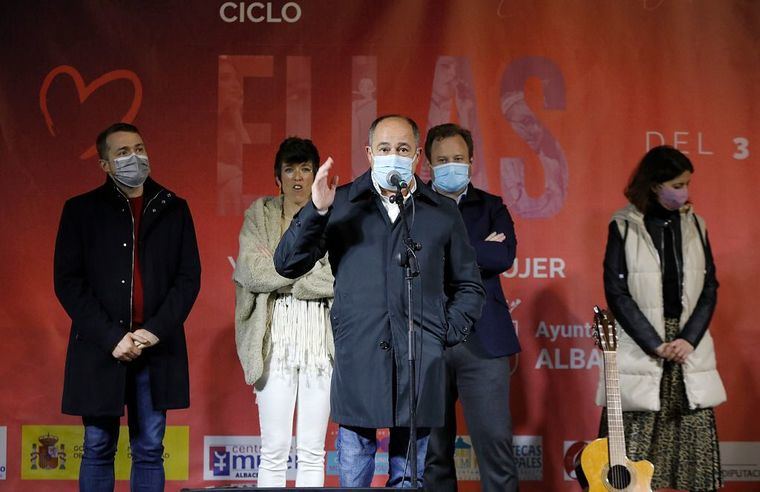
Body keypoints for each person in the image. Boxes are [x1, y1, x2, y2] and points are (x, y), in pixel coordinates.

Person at [274, 114, 485, 488]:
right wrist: (316, 210)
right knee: (354, 476)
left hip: (419, 364)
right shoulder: (340, 204)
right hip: (360, 360)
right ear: (370, 154)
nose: (394, 156)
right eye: (385, 149)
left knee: (409, 480)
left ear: (418, 156)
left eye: (403, 149)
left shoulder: (441, 212)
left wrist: (442, 334)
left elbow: (469, 285)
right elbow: (287, 263)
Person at [54, 122, 201, 492]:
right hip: (102, 348)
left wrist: (153, 331)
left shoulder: (174, 208)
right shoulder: (80, 211)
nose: (134, 157)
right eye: (121, 153)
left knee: (150, 449)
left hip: (156, 349)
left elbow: (188, 280)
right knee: (97, 446)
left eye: (138, 147)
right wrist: (111, 337)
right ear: (104, 164)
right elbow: (68, 284)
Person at [598, 145, 726, 491]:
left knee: (693, 459)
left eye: (686, 184)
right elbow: (617, 292)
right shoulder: (624, 225)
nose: (685, 192)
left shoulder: (696, 224)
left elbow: (709, 286)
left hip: (688, 349)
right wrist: (655, 343)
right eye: (677, 184)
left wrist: (688, 339)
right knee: (630, 456)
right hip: (644, 348)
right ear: (655, 185)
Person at [423, 123, 520, 492]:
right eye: (442, 160)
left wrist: (442, 250)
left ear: (472, 161)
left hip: (485, 340)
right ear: (428, 165)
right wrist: (477, 248)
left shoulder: (492, 206)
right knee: (433, 453)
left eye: (458, 159)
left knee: (495, 447)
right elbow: (411, 259)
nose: (451, 165)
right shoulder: (413, 207)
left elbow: (503, 254)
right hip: (428, 339)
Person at [233, 137, 334, 487]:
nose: (298, 178)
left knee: (312, 452)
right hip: (272, 344)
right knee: (273, 451)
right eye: (289, 169)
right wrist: (305, 276)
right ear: (277, 177)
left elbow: (337, 279)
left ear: (315, 175)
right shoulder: (260, 214)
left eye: (306, 169)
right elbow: (251, 270)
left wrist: (284, 276)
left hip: (320, 345)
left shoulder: (333, 217)